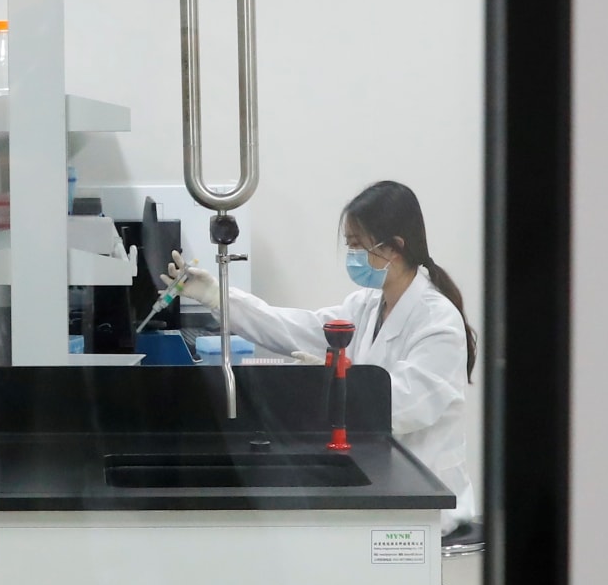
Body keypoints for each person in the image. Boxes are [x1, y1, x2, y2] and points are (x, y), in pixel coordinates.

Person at [166, 179, 477, 518]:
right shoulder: (367, 305)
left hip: (428, 494)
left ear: (394, 248)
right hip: (384, 474)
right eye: (350, 245)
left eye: (358, 245)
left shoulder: (438, 321)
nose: (352, 255)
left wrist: (334, 381)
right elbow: (298, 329)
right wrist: (218, 298)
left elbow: (403, 407)